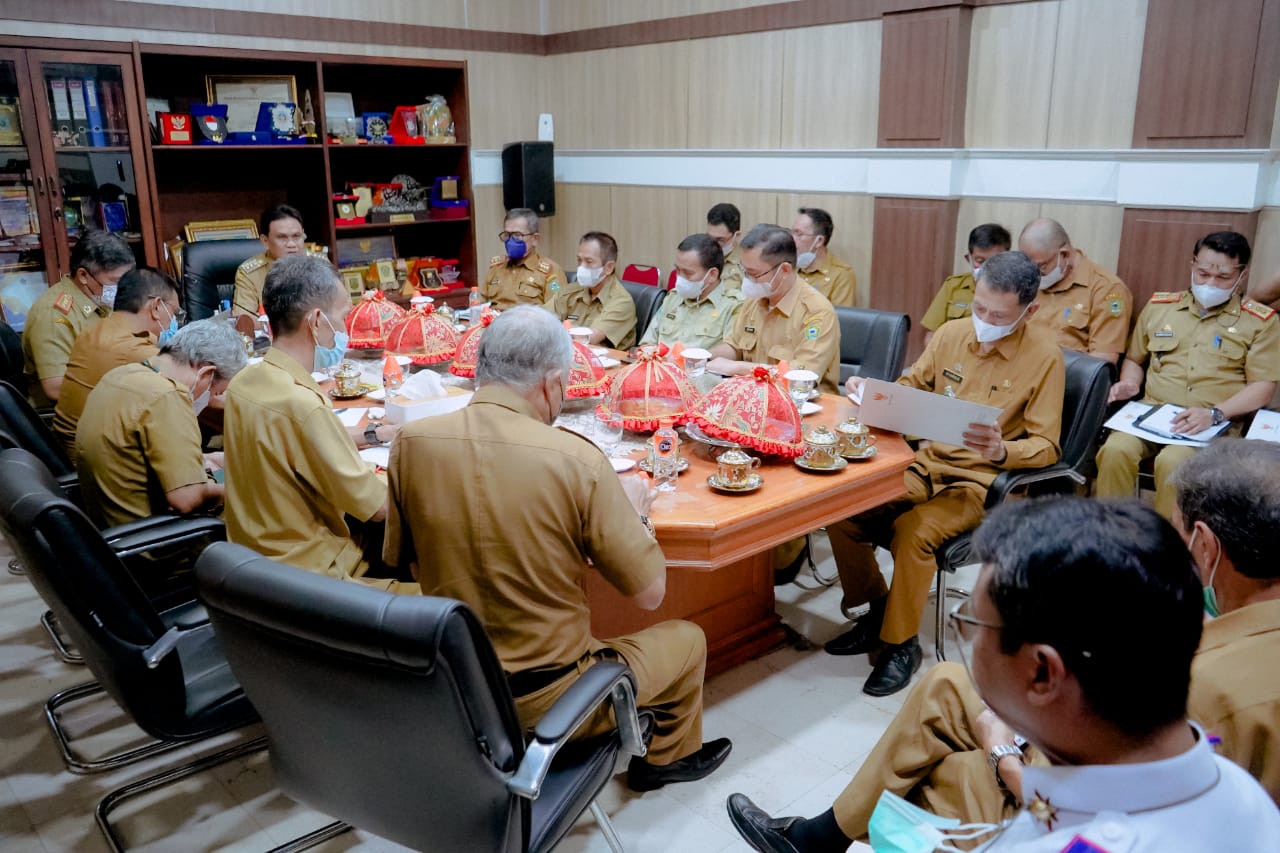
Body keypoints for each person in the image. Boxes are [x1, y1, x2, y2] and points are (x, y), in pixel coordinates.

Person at [728, 439, 1280, 853]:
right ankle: (821, 838)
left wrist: (1002, 753)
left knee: (928, 779)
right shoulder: (1234, 784)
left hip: (1055, 795)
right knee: (944, 687)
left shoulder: (1215, 688)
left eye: (971, 625)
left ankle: (827, 836)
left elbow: (1093, 783)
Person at [384, 305, 732, 791]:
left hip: (453, 682)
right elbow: (651, 593)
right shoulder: (576, 460)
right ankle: (666, 760)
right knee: (687, 638)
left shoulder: (411, 443)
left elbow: (406, 562)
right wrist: (637, 512)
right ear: (552, 383)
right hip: (548, 695)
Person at [825, 251, 1064, 697]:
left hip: (979, 484)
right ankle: (878, 611)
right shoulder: (953, 334)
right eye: (979, 307)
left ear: (1030, 310)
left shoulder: (1045, 357)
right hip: (926, 465)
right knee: (844, 508)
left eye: (999, 314)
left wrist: (1002, 449)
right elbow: (913, 387)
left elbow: (1048, 446)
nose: (985, 320)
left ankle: (900, 645)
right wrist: (873, 392)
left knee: (914, 532)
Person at [222, 254, 407, 590]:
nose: (345, 326)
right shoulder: (302, 405)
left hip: (255, 563)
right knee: (461, 602)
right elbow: (378, 506)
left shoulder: (244, 383)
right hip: (313, 577)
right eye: (343, 315)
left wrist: (375, 434)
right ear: (317, 320)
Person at [1096, 231, 1279, 517]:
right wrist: (1129, 384)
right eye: (1203, 273)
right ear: (1192, 264)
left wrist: (1216, 413)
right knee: (1114, 451)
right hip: (1151, 415)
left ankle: (1168, 547)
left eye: (1222, 278)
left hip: (1214, 421)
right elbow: (1134, 358)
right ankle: (1112, 532)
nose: (1210, 283)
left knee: (1174, 462)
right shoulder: (1160, 308)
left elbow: (1263, 387)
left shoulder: (1259, 323)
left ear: (1242, 276)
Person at [75, 319, 244, 528]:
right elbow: (186, 499)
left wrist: (206, 459)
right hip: (163, 544)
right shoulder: (167, 397)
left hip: (113, 529)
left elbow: (137, 458)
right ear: (206, 374)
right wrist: (239, 488)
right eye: (217, 393)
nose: (212, 400)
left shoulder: (122, 375)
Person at [52, 268, 180, 459]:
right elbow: (192, 388)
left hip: (74, 448)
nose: (173, 320)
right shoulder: (131, 349)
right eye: (173, 312)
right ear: (155, 307)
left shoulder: (98, 328)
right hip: (96, 460)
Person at [708, 224, 840, 393]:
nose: (747, 280)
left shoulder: (817, 312)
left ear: (784, 270)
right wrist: (704, 357)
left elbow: (802, 378)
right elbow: (735, 347)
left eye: (754, 274)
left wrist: (738, 368)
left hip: (804, 407)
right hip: (753, 398)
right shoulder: (755, 300)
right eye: (744, 271)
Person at [21, 229, 135, 409]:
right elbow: (56, 388)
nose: (122, 287)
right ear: (83, 276)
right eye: (115, 281)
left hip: (106, 405)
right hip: (70, 419)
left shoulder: (98, 298)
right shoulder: (54, 315)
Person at [1017, 217, 1132, 365]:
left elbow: (1102, 362)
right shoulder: (1028, 278)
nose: (1034, 274)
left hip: (1064, 379)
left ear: (1064, 254)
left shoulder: (1106, 289)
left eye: (1041, 267)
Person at [639, 233, 743, 350]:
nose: (680, 278)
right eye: (677, 270)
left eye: (688, 273)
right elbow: (647, 343)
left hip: (699, 367)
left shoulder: (733, 305)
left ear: (712, 275)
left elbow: (733, 351)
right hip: (661, 366)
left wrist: (692, 358)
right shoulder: (673, 297)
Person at [921, 223, 1011, 347]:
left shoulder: (1014, 292)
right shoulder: (953, 286)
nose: (987, 267)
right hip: (952, 358)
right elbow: (931, 335)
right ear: (969, 258)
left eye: (994, 261)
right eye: (980, 261)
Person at [545, 230, 637, 349]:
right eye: (579, 260)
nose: (581, 267)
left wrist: (558, 329)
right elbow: (539, 320)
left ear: (608, 268)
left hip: (607, 364)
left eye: (589, 261)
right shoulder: (570, 292)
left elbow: (588, 339)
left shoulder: (621, 301)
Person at [232, 204, 311, 335]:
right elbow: (244, 320)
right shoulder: (250, 272)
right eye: (282, 237)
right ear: (265, 241)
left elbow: (341, 309)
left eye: (297, 236)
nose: (292, 244)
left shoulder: (319, 264)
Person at [480, 207, 565, 311]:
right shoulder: (496, 267)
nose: (511, 241)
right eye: (507, 235)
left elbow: (555, 313)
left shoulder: (550, 271)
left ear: (535, 239)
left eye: (517, 235)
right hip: (494, 324)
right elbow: (479, 304)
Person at [791, 207, 856, 307]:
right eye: (792, 233)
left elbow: (840, 319)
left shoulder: (841, 274)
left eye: (799, 234)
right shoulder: (788, 267)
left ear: (819, 241)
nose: (792, 239)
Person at [706, 201, 744, 290]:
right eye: (709, 238)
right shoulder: (701, 256)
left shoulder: (747, 265)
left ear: (736, 236)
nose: (713, 245)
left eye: (720, 240)